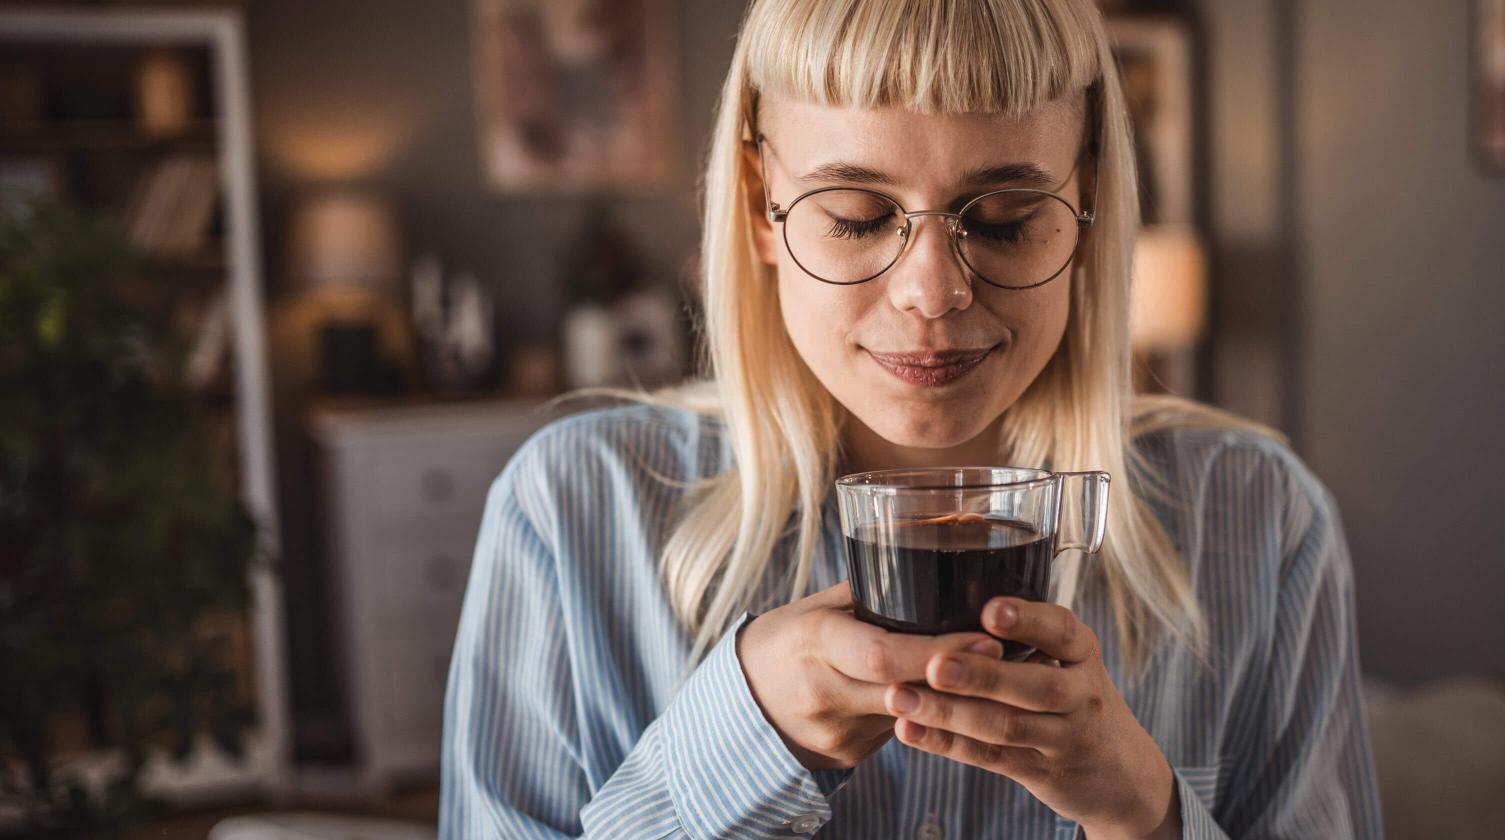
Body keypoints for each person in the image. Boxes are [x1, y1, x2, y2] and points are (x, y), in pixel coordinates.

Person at [439, 0, 1381, 837]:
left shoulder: (1259, 519)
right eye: (856, 215)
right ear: (761, 209)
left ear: (1087, 200)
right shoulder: (570, 508)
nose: (932, 292)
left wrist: (1146, 816)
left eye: (1005, 218)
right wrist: (741, 742)